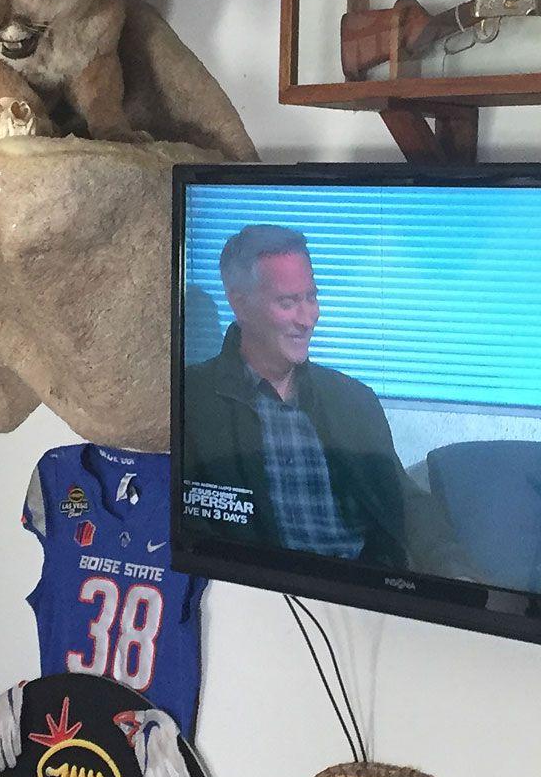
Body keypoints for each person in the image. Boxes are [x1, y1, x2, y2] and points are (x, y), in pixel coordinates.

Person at [179, 224, 423, 567]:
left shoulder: (354, 400)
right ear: (240, 304)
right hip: (259, 588)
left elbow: (406, 505)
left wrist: (456, 573)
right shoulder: (193, 401)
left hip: (364, 585)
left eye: (311, 297)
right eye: (288, 302)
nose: (308, 319)